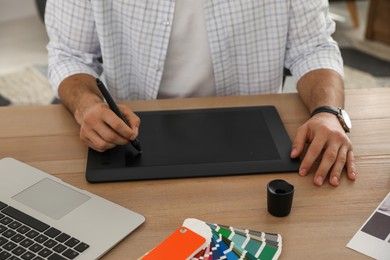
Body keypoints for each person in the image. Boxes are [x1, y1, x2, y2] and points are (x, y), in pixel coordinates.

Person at [45, 0, 356, 187]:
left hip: (253, 141)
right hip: (132, 137)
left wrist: (328, 113)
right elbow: (69, 54)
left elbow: (312, 49)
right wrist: (86, 105)